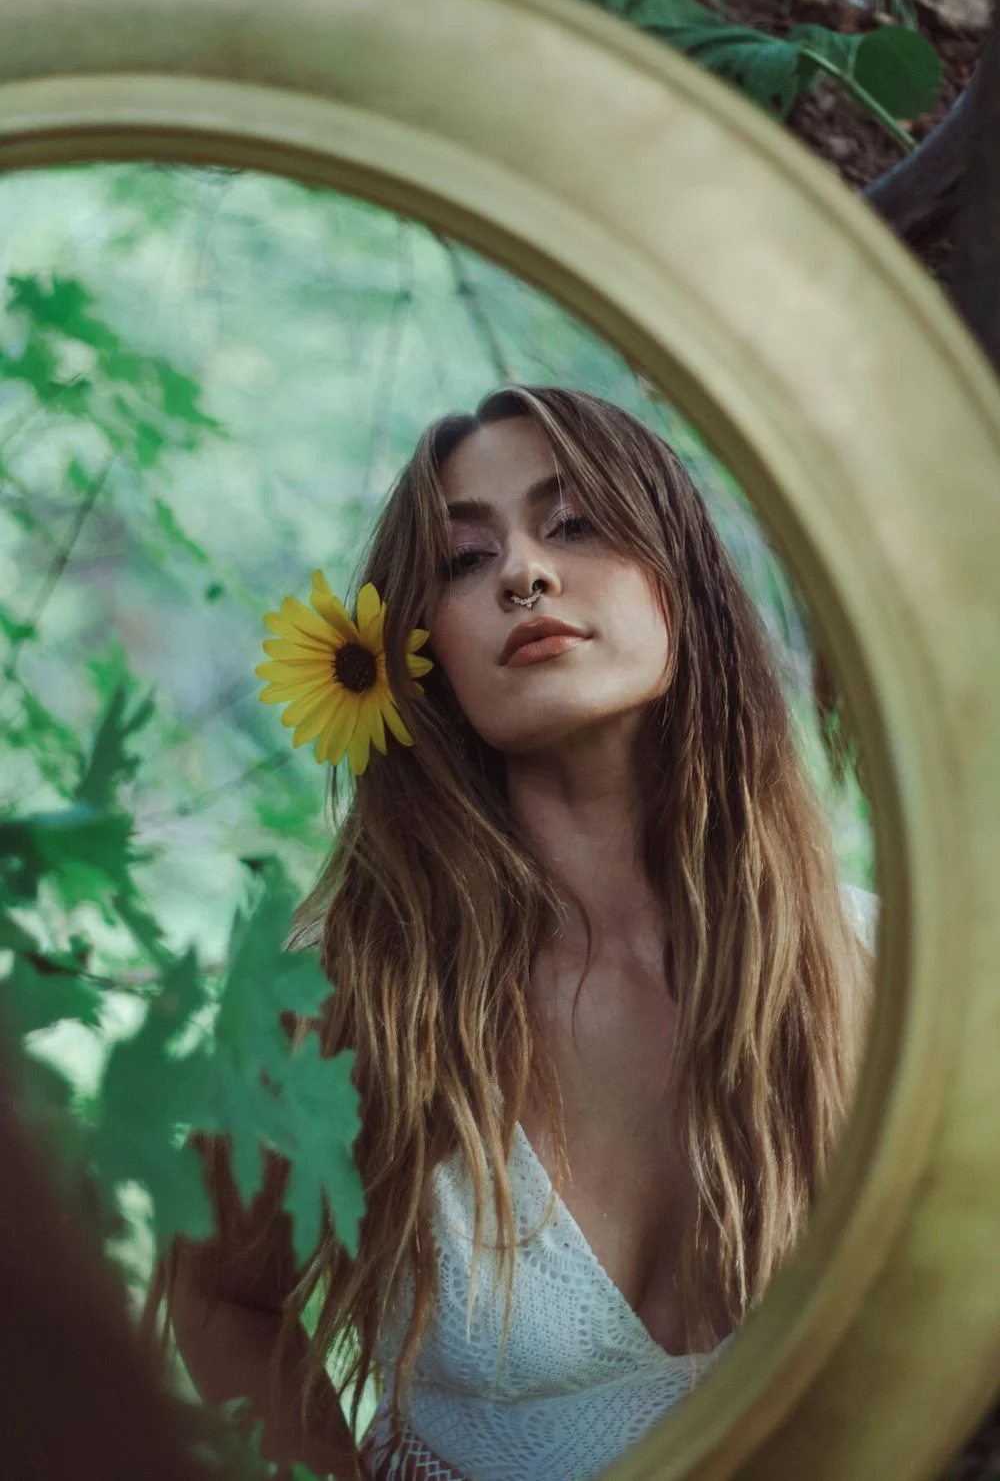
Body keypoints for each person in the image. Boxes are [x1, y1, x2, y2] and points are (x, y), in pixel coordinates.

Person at [149, 385, 878, 1481]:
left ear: (678, 575)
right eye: (461, 558)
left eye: (575, 523)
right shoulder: (346, 990)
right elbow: (213, 1298)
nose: (522, 573)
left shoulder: (864, 962)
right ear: (419, 647)